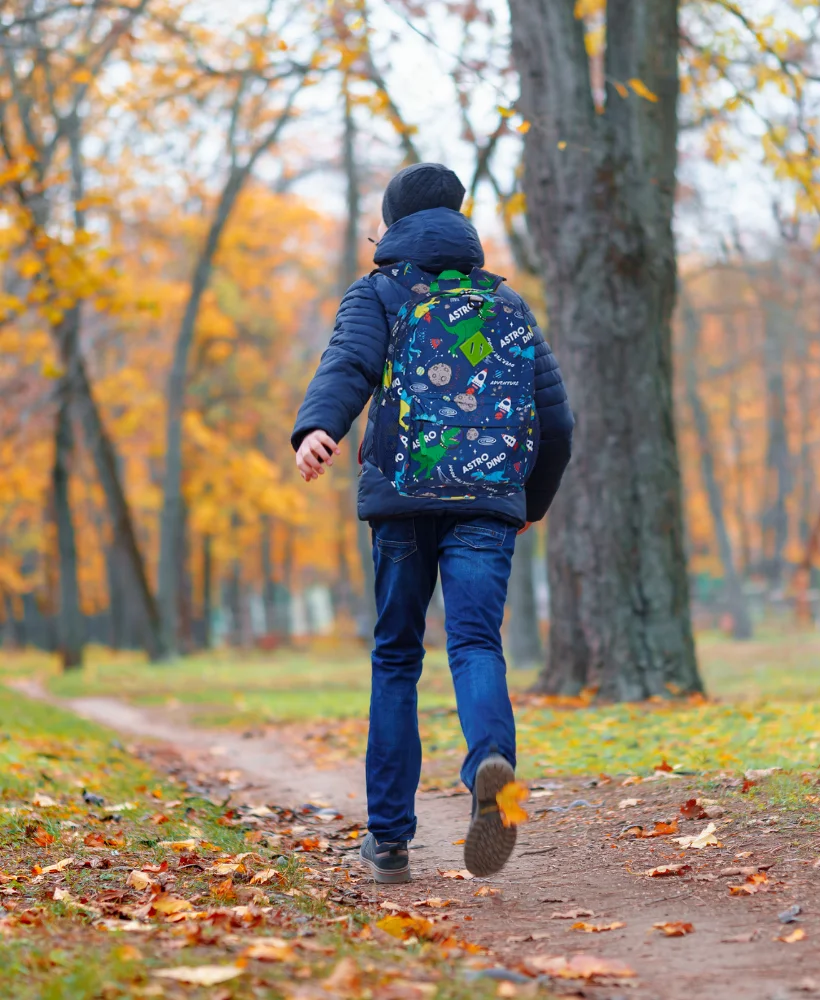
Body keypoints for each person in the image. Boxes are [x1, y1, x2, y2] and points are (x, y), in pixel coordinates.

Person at [290, 162, 573, 884]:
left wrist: (317, 429)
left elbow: (349, 364)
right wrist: (525, 505)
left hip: (403, 501)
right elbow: (557, 420)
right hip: (486, 501)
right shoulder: (504, 306)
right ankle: (492, 772)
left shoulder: (380, 290)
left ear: (393, 226)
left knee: (396, 660)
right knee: (477, 644)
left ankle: (388, 840)